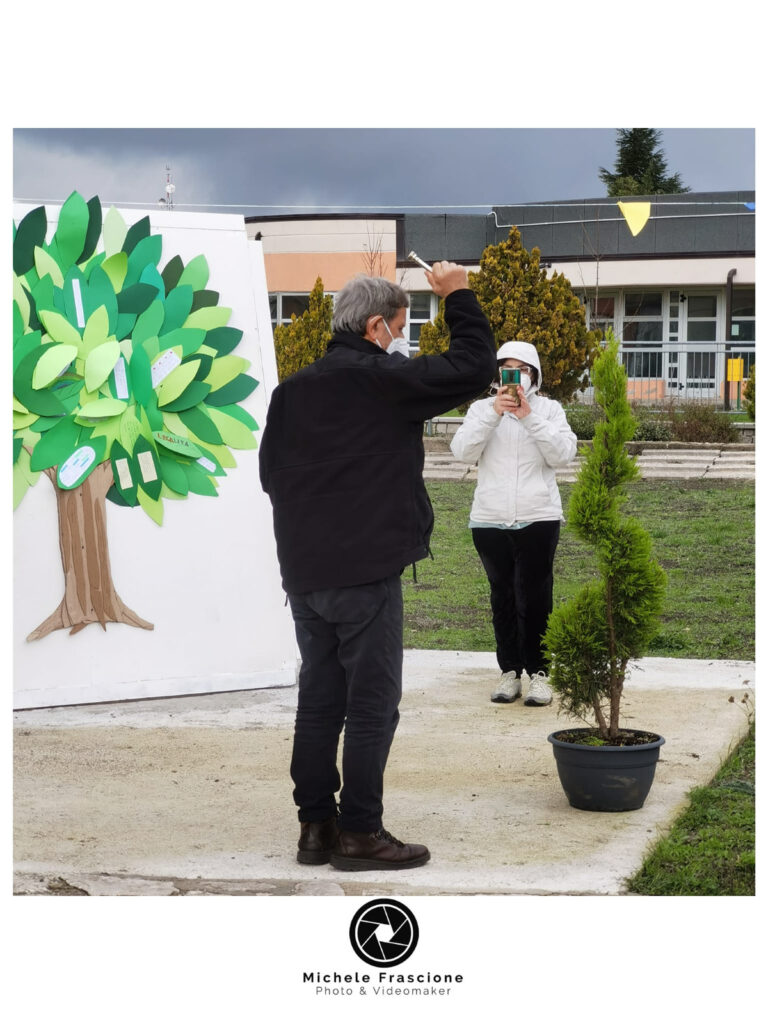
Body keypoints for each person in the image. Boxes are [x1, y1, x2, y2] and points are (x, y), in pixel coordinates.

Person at [259, 264, 496, 871]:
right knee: (372, 702)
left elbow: (269, 477)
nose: (402, 340)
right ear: (374, 327)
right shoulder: (384, 380)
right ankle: (361, 832)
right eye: (400, 327)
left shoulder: (290, 393)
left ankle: (316, 827)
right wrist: (457, 294)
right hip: (365, 571)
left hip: (305, 573)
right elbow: (475, 366)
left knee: (319, 699)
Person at [450, 341, 577, 707]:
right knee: (502, 598)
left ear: (534, 375)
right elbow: (462, 452)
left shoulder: (549, 410)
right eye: (508, 368)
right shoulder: (481, 410)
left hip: (538, 518)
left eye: (522, 369)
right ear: (498, 374)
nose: (516, 376)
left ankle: (540, 673)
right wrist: (494, 413)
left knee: (536, 598)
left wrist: (528, 417)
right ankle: (510, 671)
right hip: (489, 520)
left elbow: (563, 454)